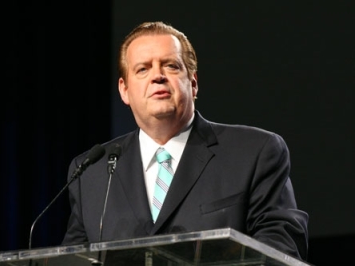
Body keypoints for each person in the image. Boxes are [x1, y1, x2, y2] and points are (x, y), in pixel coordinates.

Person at [62, 21, 309, 261]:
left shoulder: (255, 152)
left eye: (170, 66)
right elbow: (72, 260)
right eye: (143, 69)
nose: (157, 76)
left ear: (193, 83)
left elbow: (281, 247)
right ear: (124, 90)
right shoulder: (91, 172)